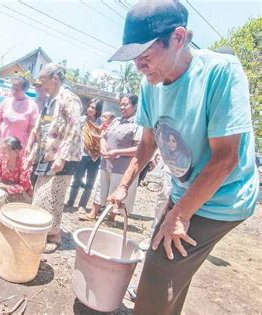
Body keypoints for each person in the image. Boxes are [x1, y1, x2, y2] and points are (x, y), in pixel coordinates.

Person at [106, 1, 258, 313]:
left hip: (222, 196)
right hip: (184, 188)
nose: (139, 66)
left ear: (178, 38)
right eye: (135, 59)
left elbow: (226, 158)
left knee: (159, 270)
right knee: (170, 280)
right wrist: (123, 186)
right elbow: (147, 145)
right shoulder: (150, 83)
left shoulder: (220, 73)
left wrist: (180, 215)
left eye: (145, 56)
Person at [25, 63, 82, 253]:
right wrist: (32, 154)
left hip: (61, 158)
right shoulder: (50, 101)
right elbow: (42, 129)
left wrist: (62, 158)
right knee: (41, 195)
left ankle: (54, 236)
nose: (41, 84)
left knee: (54, 196)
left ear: (55, 79)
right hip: (46, 155)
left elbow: (74, 130)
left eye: (43, 80)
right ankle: (43, 231)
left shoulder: (70, 99)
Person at [80, 94, 142, 221]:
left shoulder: (138, 124)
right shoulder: (116, 121)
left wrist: (116, 152)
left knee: (115, 189)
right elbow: (104, 136)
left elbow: (138, 149)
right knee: (100, 188)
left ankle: (111, 217)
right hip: (106, 163)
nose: (122, 107)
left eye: (126, 104)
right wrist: (102, 147)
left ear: (135, 106)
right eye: (121, 104)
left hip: (122, 167)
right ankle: (93, 213)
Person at [66, 98, 103, 213]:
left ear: (97, 110)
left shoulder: (101, 123)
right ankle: (70, 202)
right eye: (89, 107)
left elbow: (103, 136)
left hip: (95, 156)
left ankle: (82, 205)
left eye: (93, 108)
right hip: (81, 154)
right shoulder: (82, 120)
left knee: (90, 182)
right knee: (77, 179)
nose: (90, 109)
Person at [0, 75, 39, 148]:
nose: (13, 91)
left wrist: (29, 146)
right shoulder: (6, 102)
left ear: (25, 90)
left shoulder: (32, 106)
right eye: (12, 88)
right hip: (2, 144)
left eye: (17, 89)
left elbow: (32, 129)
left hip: (19, 147)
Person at [0, 136, 33, 203]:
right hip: (3, 189)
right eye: (1, 150)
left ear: (15, 152)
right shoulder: (1, 159)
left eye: (4, 151)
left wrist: (6, 187)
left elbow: (23, 187)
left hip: (20, 195)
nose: (2, 153)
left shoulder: (24, 164)